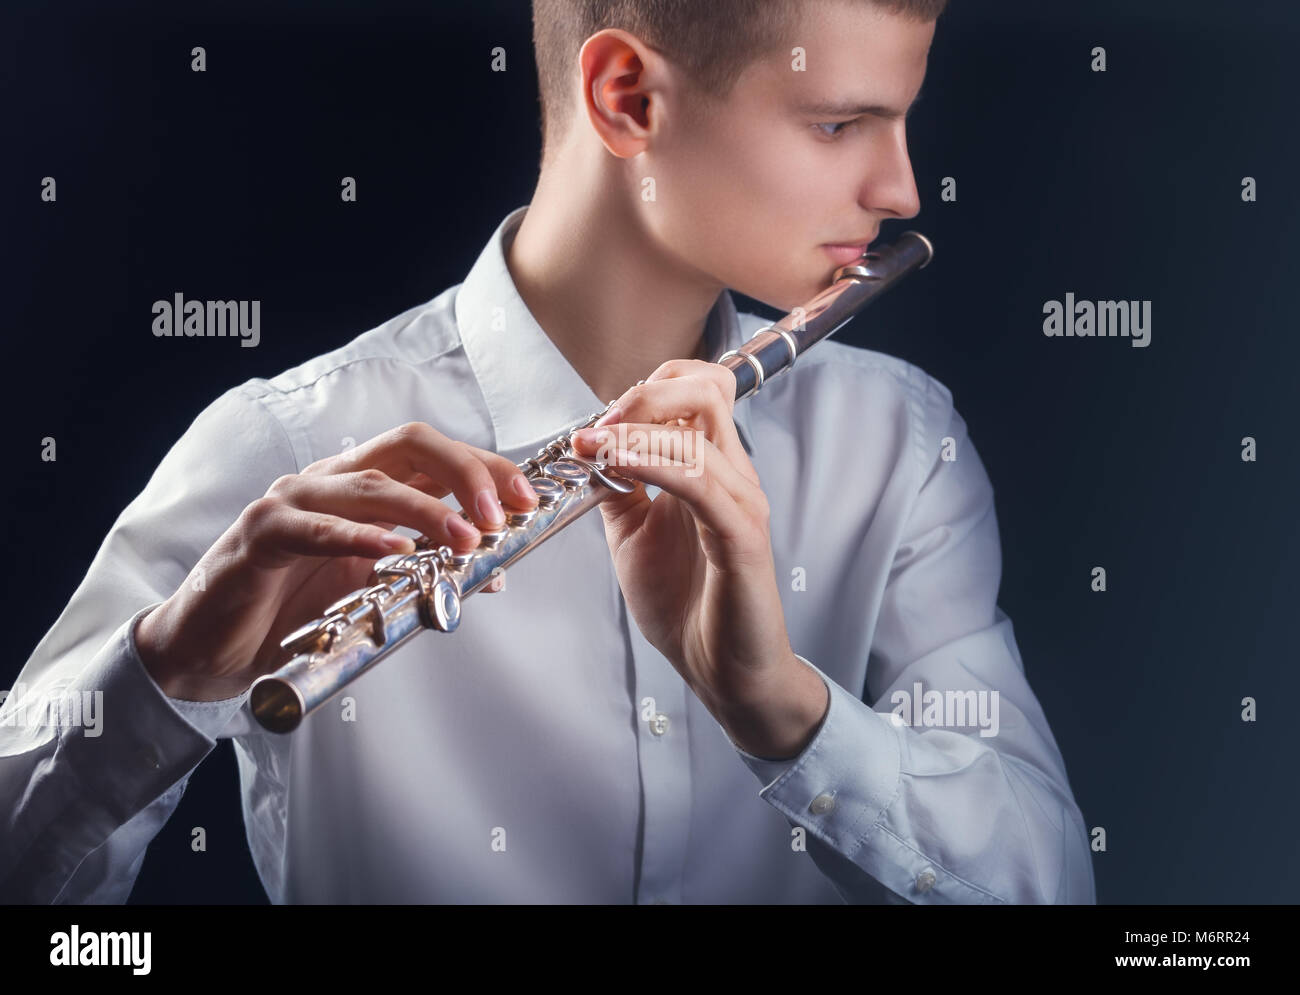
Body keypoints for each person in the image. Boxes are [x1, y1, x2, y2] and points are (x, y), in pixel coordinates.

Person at [0, 0, 1096, 903]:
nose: (899, 191)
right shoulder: (287, 445)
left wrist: (783, 709)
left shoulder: (896, 443)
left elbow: (1046, 884)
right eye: (836, 126)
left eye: (896, 122)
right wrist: (163, 680)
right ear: (628, 98)